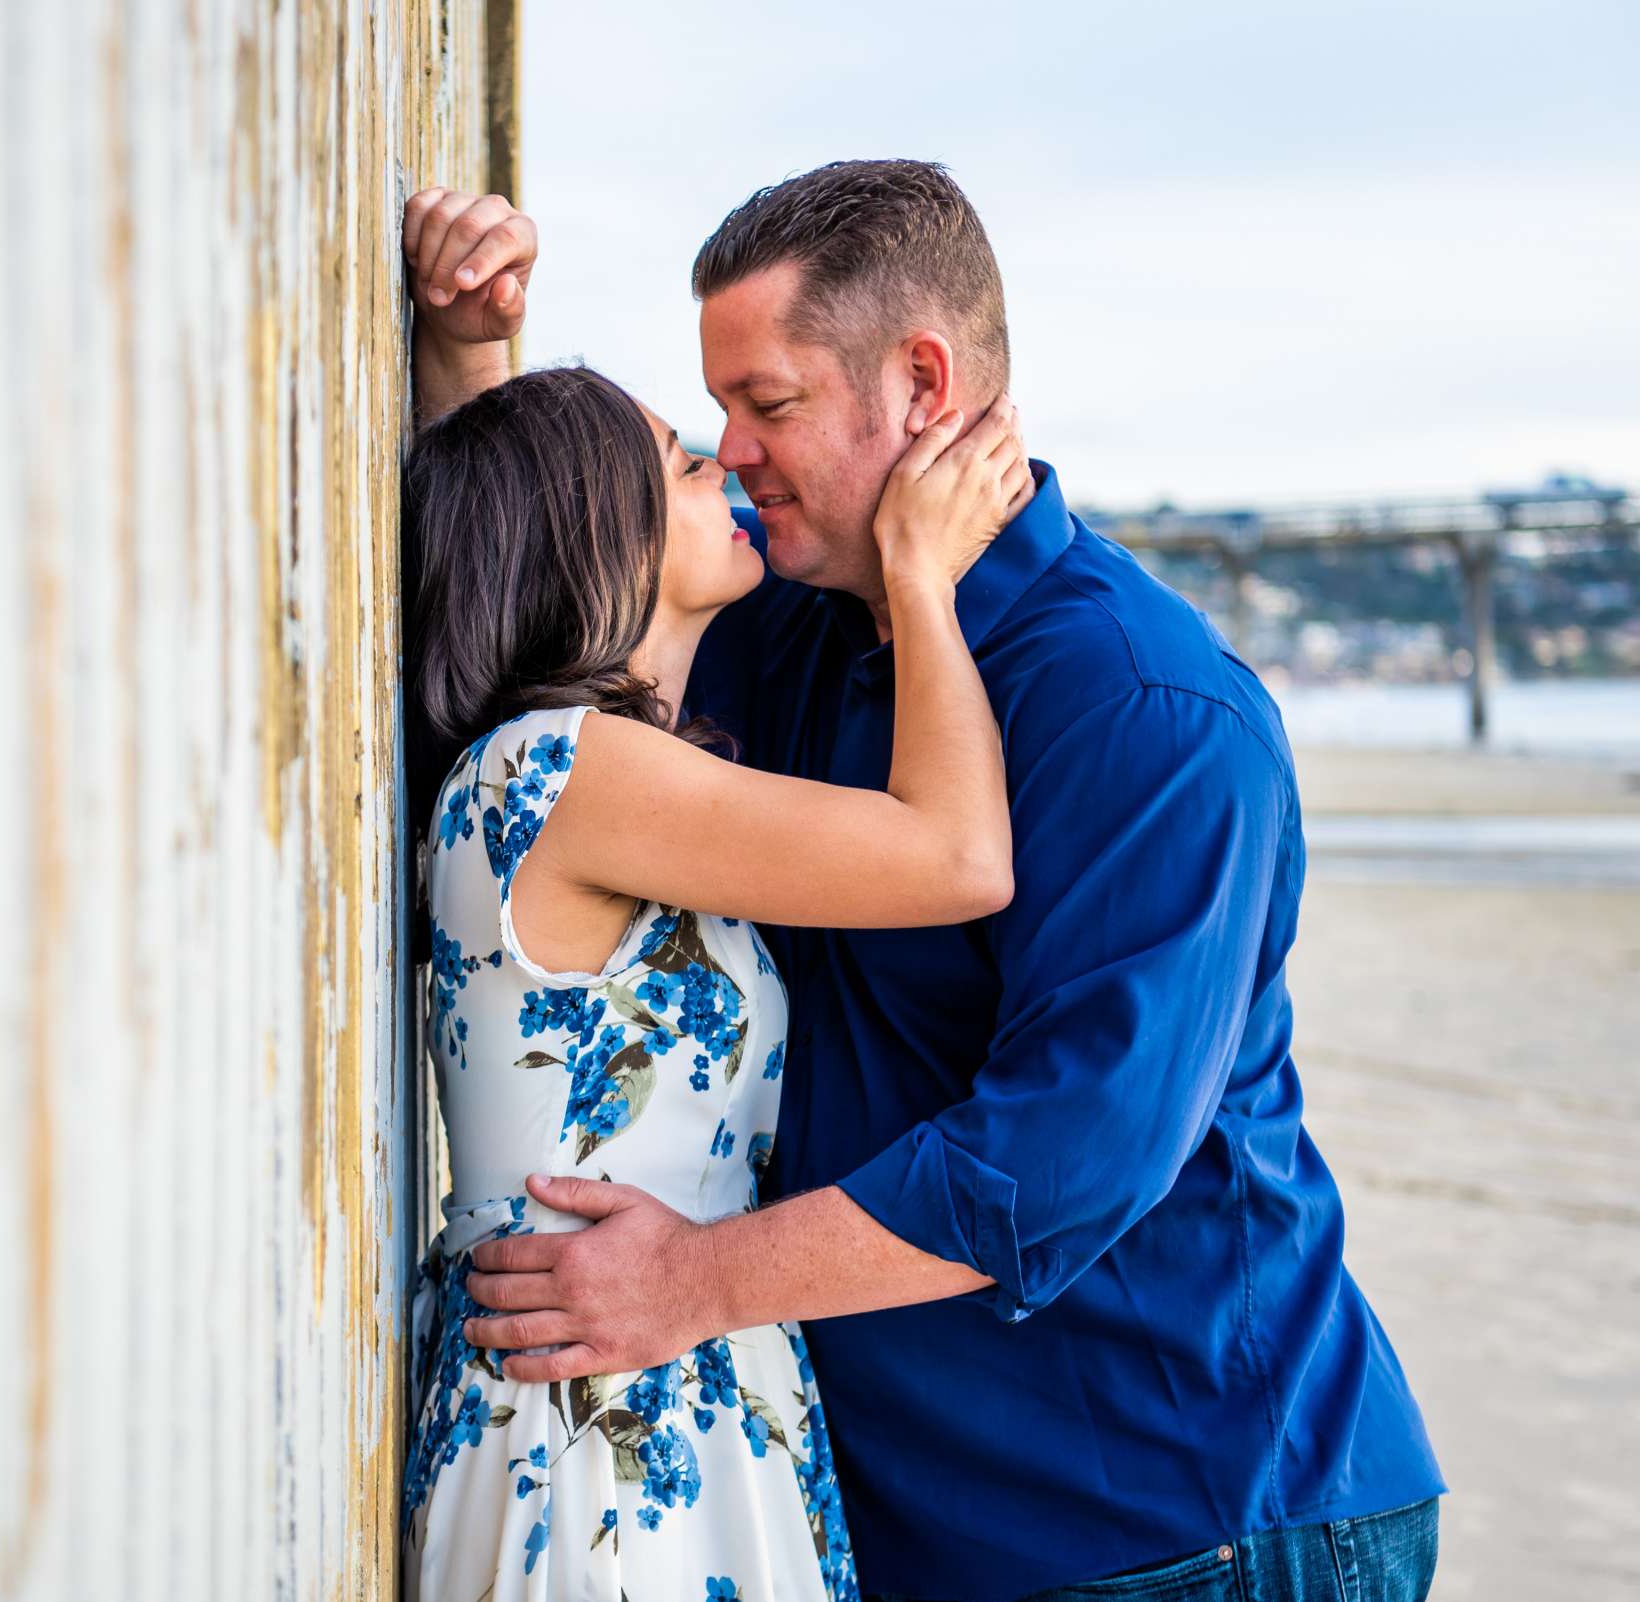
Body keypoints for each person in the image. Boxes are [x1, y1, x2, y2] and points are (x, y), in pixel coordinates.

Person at [407, 163, 1444, 1602]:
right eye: (715, 420)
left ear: (920, 383)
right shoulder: (793, 629)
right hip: (901, 1511)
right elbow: (549, 613)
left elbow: (1054, 1162)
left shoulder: (1149, 714)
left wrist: (693, 1279)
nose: (734, 452)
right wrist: (470, 358)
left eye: (768, 408)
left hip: (1176, 1512)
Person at [399, 232, 1030, 1595]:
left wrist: (468, 355)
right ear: (603, 536)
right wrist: (923, 578)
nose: (730, 465)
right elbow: (960, 856)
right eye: (687, 462)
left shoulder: (570, 768)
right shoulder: (573, 769)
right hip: (605, 1429)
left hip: (638, 1385)